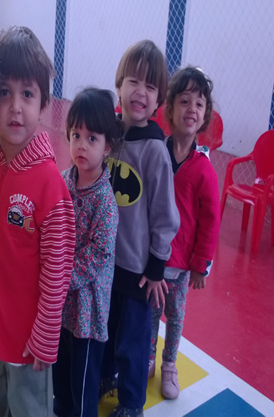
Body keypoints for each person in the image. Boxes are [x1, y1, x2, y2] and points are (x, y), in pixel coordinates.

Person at [0, 25, 76, 417]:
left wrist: (46, 334)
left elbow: (58, 268)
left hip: (29, 340)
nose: (15, 106)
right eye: (4, 92)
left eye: (28, 94)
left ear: (44, 103)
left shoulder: (50, 185)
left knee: (29, 408)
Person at [101, 40, 181, 417]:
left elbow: (165, 216)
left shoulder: (155, 151)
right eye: (133, 81)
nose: (140, 92)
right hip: (103, 261)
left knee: (133, 342)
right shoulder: (108, 135)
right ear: (119, 85)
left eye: (150, 87)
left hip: (136, 270)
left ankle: (132, 403)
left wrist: (156, 266)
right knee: (103, 329)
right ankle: (105, 377)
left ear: (158, 99)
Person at [149, 66, 221, 399]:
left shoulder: (204, 169)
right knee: (149, 314)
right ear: (170, 109)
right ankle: (148, 358)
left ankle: (169, 365)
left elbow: (210, 222)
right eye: (185, 101)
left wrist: (200, 265)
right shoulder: (156, 153)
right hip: (152, 259)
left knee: (175, 317)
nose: (192, 109)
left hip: (180, 268)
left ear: (204, 116)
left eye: (199, 104)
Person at [52, 88, 122, 417]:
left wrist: (57, 279)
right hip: (60, 309)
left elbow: (97, 257)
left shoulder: (105, 201)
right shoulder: (63, 181)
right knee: (61, 380)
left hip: (86, 314)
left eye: (92, 138)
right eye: (75, 135)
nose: (81, 144)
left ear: (107, 146)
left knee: (82, 390)